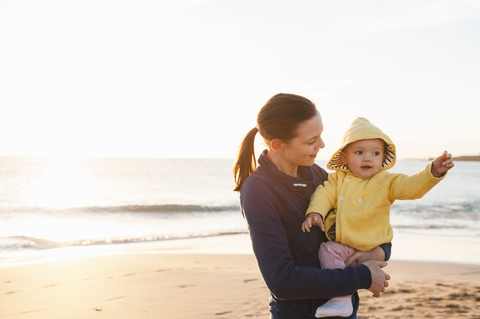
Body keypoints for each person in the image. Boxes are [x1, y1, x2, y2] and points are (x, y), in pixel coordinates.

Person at [233, 93, 391, 319]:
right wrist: (363, 277)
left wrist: (381, 250)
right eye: (311, 141)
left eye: (320, 135)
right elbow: (281, 280)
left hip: (345, 312)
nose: (322, 145)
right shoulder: (259, 191)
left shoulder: (319, 175)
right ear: (277, 145)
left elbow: (366, 218)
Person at [301, 117, 454, 318]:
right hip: (345, 245)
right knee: (327, 250)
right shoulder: (337, 179)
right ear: (344, 158)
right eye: (359, 152)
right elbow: (323, 194)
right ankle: (342, 299)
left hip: (371, 246)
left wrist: (432, 171)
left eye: (376, 153)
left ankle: (343, 297)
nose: (368, 158)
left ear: (383, 158)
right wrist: (315, 213)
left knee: (335, 256)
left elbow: (411, 186)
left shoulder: (386, 181)